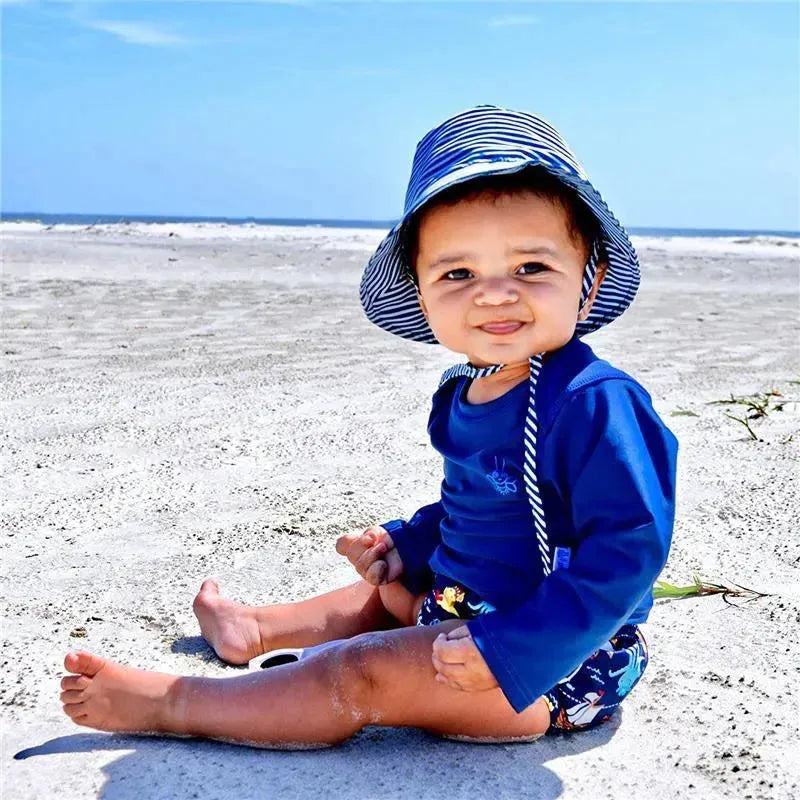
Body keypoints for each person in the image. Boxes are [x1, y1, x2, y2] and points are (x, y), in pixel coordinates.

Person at [59, 105, 677, 746]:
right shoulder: (467, 390)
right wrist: (408, 542)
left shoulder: (593, 402)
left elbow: (627, 552)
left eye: (530, 268)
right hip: (462, 606)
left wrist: (517, 649)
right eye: (458, 273)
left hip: (557, 661)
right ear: (421, 293)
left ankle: (179, 704)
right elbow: (482, 506)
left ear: (589, 279)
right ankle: (258, 629)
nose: (495, 293)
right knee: (385, 595)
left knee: (358, 673)